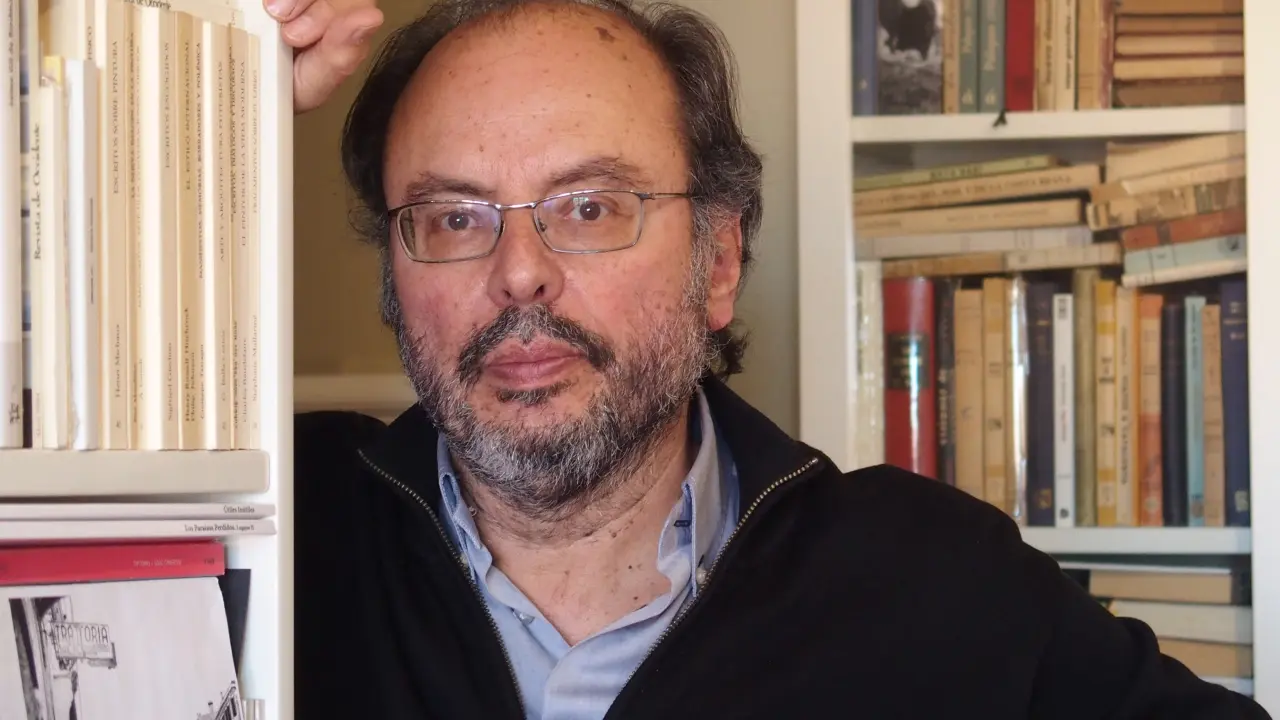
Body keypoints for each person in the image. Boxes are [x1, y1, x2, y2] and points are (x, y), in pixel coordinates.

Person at [278, 1, 1272, 718]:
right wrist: (217, 82)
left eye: (590, 207)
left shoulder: (936, 582)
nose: (520, 274)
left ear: (719, 261)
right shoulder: (274, 525)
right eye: (454, 217)